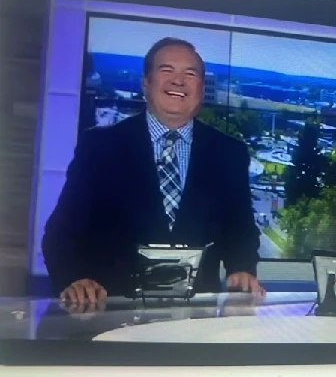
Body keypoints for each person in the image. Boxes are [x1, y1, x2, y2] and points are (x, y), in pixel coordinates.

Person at [42, 37, 265, 304]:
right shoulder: (100, 146)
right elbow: (61, 232)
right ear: (146, 82)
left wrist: (242, 269)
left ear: (201, 88)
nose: (178, 81)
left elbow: (241, 231)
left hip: (194, 321)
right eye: (166, 70)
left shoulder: (229, 152)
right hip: (111, 313)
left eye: (189, 74)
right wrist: (74, 278)